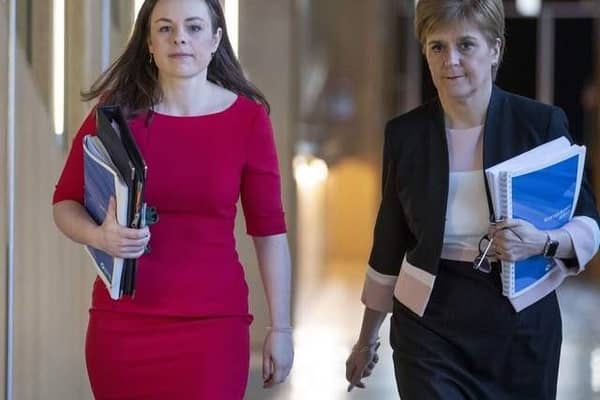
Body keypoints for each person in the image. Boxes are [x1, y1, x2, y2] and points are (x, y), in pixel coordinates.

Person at [345, 0, 600, 398]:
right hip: (428, 327)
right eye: (437, 47)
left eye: (466, 45)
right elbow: (389, 244)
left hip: (520, 328)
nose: (451, 61)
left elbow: (586, 220)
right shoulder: (405, 136)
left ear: (495, 49)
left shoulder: (539, 125)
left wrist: (542, 242)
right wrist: (366, 339)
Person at [52, 0, 293, 398]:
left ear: (216, 39)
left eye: (194, 27)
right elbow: (65, 202)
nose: (180, 37)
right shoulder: (115, 112)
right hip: (123, 325)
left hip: (213, 326)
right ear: (148, 41)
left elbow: (269, 232)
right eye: (165, 28)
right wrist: (99, 237)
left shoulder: (248, 119)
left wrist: (280, 329)